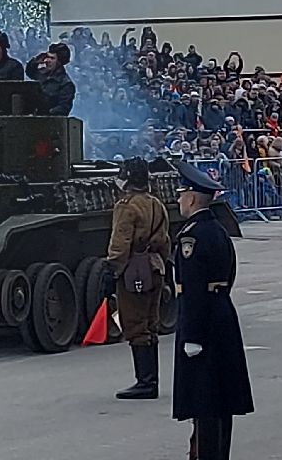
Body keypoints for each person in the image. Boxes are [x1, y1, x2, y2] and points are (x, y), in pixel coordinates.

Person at [171, 160, 252, 459]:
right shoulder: (218, 230)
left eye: (182, 194)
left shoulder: (192, 237)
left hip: (202, 322)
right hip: (221, 314)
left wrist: (191, 335)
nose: (179, 200)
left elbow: (192, 289)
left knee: (204, 399)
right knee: (221, 398)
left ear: (192, 198)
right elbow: (228, 275)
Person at [107, 157, 169, 400]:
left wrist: (112, 269)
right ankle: (151, 380)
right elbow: (165, 241)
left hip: (134, 270)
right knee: (151, 323)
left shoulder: (126, 206)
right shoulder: (156, 203)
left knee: (135, 324)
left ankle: (145, 382)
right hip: (154, 266)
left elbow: (120, 243)